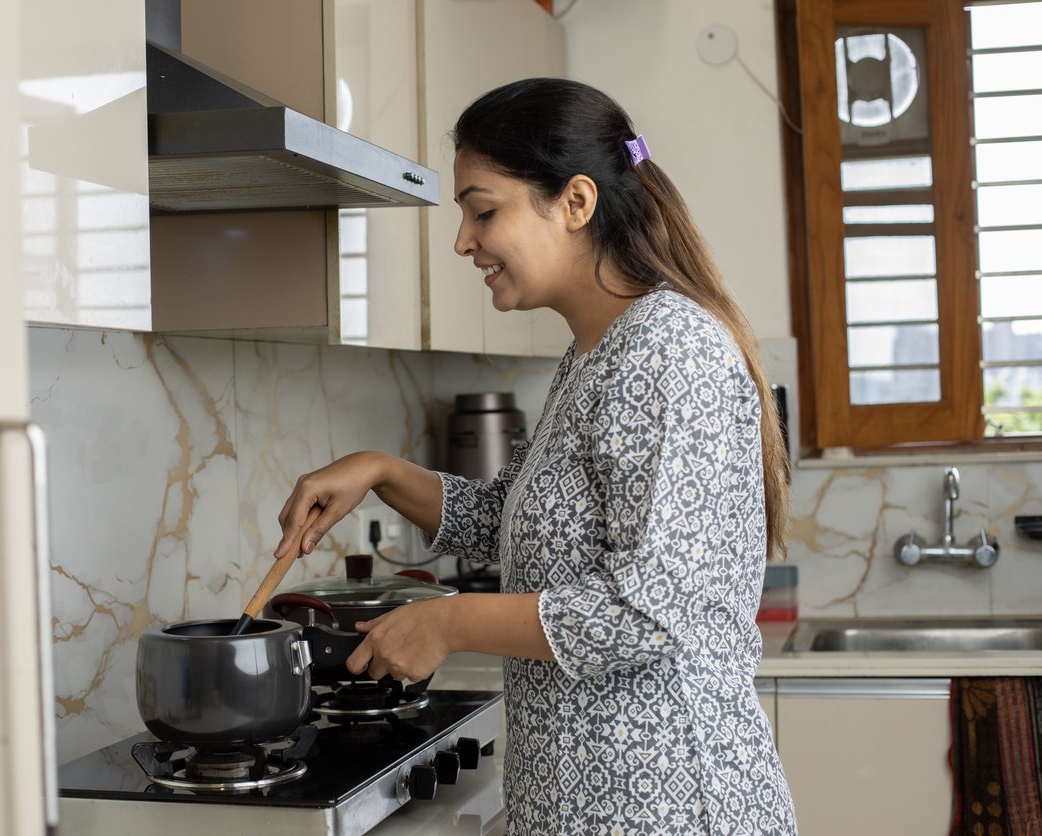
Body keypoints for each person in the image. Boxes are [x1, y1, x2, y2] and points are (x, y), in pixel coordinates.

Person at [274, 77, 797, 835]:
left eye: (484, 211)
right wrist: (381, 471)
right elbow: (509, 522)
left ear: (576, 202)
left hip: (672, 803)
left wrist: (450, 623)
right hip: (586, 807)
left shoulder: (670, 352)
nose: (463, 242)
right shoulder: (591, 357)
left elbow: (647, 611)